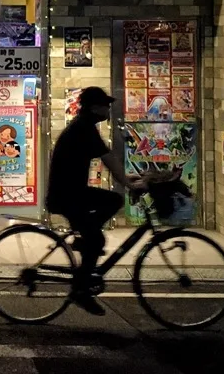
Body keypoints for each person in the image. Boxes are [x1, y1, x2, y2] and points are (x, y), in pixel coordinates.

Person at [46, 86, 142, 315]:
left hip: (71, 192)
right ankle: (81, 291)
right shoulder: (83, 129)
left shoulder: (84, 126)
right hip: (67, 196)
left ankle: (85, 236)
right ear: (93, 107)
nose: (108, 108)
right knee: (97, 236)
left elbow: (108, 158)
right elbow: (108, 158)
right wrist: (129, 184)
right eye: (104, 105)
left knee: (108, 207)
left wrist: (128, 178)